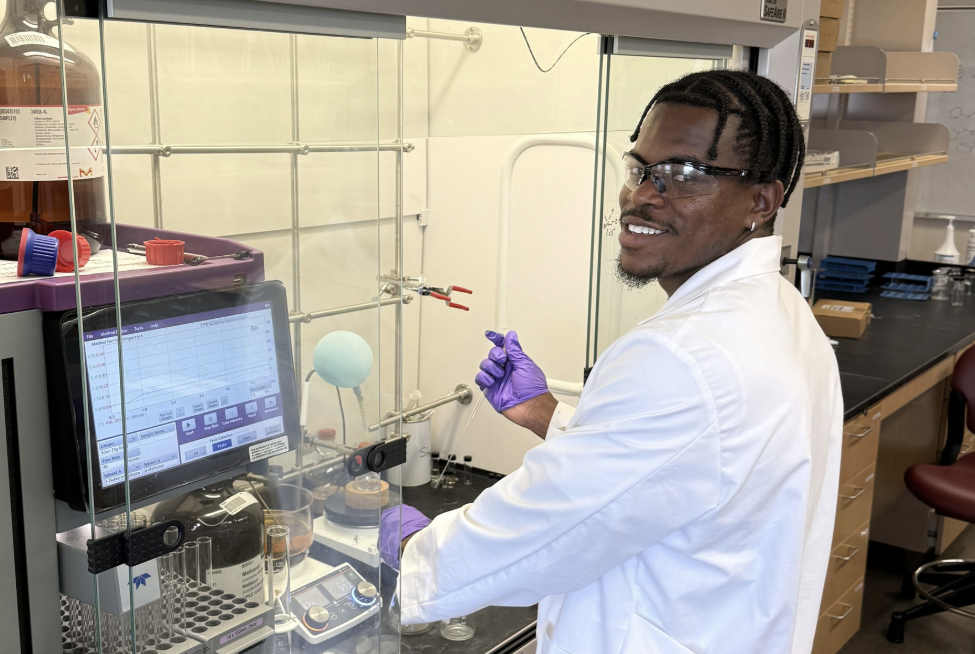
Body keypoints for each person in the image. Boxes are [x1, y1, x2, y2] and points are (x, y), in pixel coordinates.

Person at [379, 70, 843, 654]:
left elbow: (548, 529)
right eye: (639, 169)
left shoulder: (683, 354)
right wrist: (549, 415)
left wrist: (413, 560)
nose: (641, 195)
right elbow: (678, 466)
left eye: (683, 174)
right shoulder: (781, 311)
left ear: (761, 200)